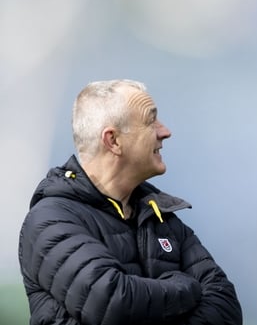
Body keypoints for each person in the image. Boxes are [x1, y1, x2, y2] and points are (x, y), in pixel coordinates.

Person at [18, 79, 242, 325]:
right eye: (151, 121)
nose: (165, 132)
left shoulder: (162, 217)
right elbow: (113, 302)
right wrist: (186, 286)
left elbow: (226, 306)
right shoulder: (51, 219)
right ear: (112, 140)